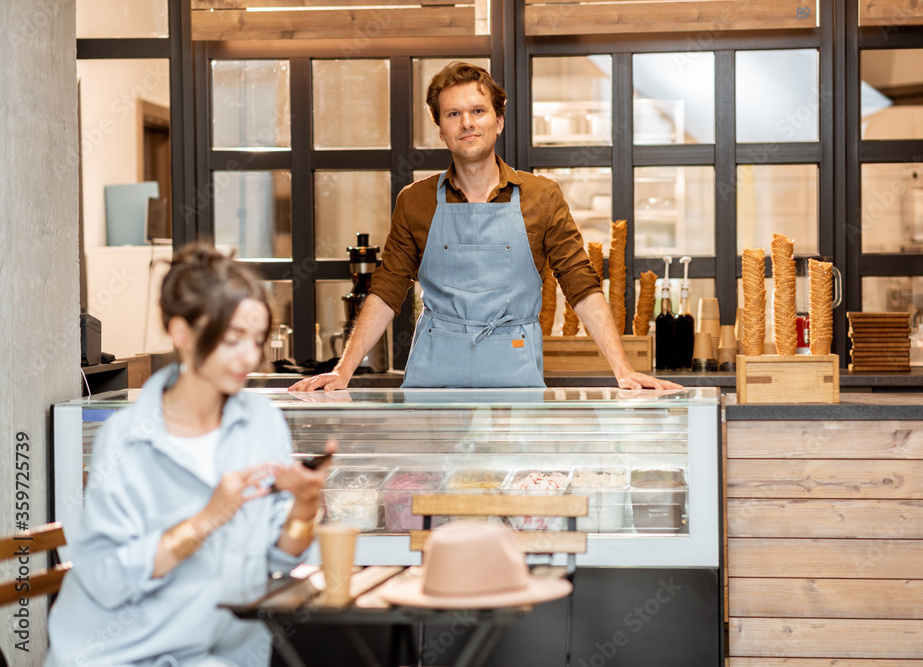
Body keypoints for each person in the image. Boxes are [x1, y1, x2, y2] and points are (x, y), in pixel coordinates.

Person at [290, 61, 678, 392]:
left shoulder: (542, 197)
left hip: (513, 365)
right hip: (433, 370)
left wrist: (622, 370)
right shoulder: (415, 200)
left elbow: (579, 282)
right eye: (453, 114)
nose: (467, 123)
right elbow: (388, 289)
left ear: (499, 121)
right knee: (429, 479)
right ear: (440, 129)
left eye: (478, 111)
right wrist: (343, 370)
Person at [46, 244, 331, 667]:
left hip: (223, 655)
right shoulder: (129, 438)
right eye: (232, 339)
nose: (250, 357)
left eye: (256, 341)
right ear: (182, 333)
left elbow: (280, 558)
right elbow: (106, 577)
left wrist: (305, 506)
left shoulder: (261, 421)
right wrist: (205, 520)